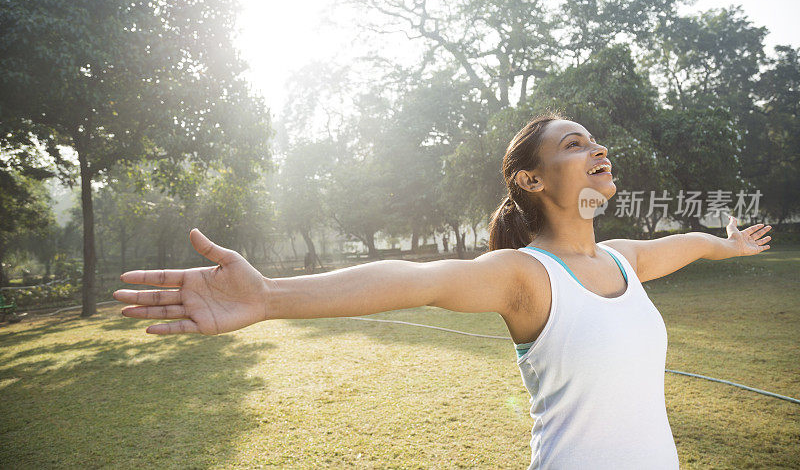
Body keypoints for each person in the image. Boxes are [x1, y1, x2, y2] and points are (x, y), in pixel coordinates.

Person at [113, 112, 773, 469]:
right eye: (576, 144)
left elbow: (683, 243)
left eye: (597, 140)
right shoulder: (526, 275)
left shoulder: (624, 259)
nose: (598, 149)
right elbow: (413, 279)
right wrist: (271, 295)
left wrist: (731, 244)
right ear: (532, 180)